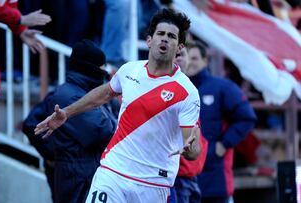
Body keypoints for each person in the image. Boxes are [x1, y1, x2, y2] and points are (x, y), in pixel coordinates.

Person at [35, 9, 201, 203]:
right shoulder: (130, 70)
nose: (164, 39)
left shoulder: (187, 91)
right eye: (160, 34)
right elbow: (104, 93)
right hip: (113, 172)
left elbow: (193, 150)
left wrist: (190, 148)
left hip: (153, 182)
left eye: (171, 36)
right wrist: (67, 112)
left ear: (179, 47)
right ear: (149, 40)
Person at [24, 39, 118, 203]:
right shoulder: (68, 96)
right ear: (91, 70)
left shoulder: (82, 93)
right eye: (102, 72)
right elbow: (104, 132)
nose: (104, 78)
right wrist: (52, 157)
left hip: (82, 177)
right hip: (77, 180)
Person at [183, 42, 257, 203]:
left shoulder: (222, 87)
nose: (190, 62)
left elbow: (246, 118)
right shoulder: (178, 88)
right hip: (184, 178)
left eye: (195, 58)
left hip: (216, 178)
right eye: (187, 57)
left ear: (205, 61)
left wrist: (223, 145)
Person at [169, 47, 209, 203]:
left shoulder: (190, 90)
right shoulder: (164, 88)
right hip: (175, 177)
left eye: (182, 55)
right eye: (175, 55)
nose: (179, 58)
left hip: (192, 176)